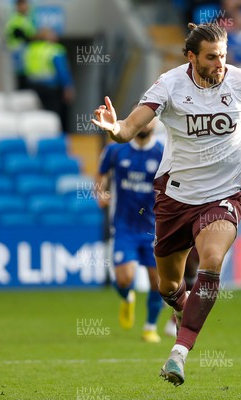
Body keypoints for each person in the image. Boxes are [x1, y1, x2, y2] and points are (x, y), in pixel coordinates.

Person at [92, 22, 241, 386]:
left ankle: (178, 353)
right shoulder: (170, 85)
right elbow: (130, 127)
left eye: (224, 56)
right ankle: (186, 308)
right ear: (192, 57)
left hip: (224, 196)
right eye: (212, 57)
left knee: (212, 261)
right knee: (168, 286)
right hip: (176, 198)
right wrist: (115, 129)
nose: (220, 64)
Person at [96, 114, 164, 342]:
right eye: (141, 118)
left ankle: (150, 327)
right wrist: (101, 192)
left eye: (149, 119)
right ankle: (127, 298)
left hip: (154, 227)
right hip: (124, 225)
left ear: (156, 122)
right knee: (125, 279)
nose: (145, 123)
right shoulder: (116, 150)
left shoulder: (164, 152)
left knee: (159, 283)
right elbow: (102, 174)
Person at [23, 27, 75, 131]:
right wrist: (68, 87)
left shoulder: (30, 49)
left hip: (33, 87)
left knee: (39, 115)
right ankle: (58, 137)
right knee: (55, 115)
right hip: (51, 88)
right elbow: (62, 71)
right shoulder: (55, 49)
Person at [5, 0, 36, 89]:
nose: (25, 7)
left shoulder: (27, 19)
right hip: (17, 52)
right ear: (18, 6)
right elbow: (18, 34)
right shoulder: (15, 19)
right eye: (23, 5)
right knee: (20, 79)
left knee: (26, 78)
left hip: (26, 53)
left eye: (26, 4)